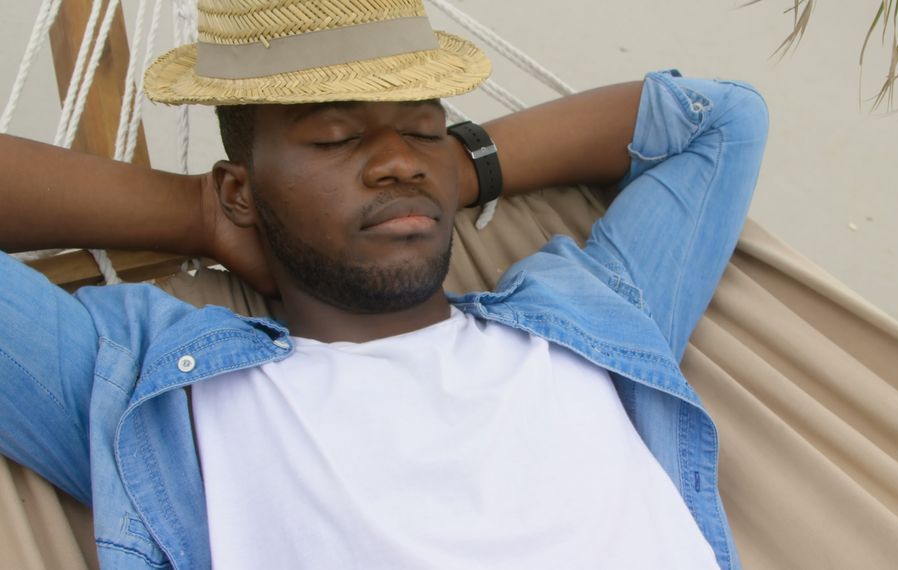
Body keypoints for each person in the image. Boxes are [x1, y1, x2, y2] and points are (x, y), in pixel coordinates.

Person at [0, 0, 767, 568]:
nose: (400, 161)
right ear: (240, 188)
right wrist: (203, 215)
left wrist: (453, 168)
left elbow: (718, 119)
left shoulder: (591, 317)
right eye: (337, 137)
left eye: (426, 130)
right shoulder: (163, 397)